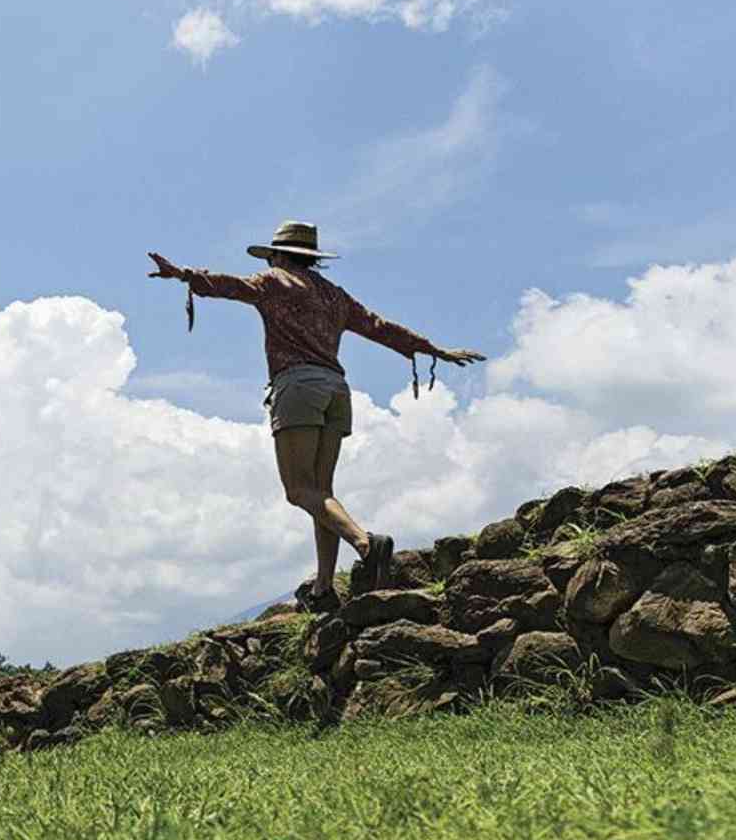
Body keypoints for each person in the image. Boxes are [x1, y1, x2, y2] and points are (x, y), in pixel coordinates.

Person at [147, 221, 486, 611]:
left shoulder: (275, 280)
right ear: (312, 258)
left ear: (277, 254)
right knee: (321, 493)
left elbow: (232, 287)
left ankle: (366, 543)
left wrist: (184, 275)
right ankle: (324, 589)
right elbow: (379, 327)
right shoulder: (334, 296)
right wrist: (432, 348)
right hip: (336, 390)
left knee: (299, 490)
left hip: (299, 387)